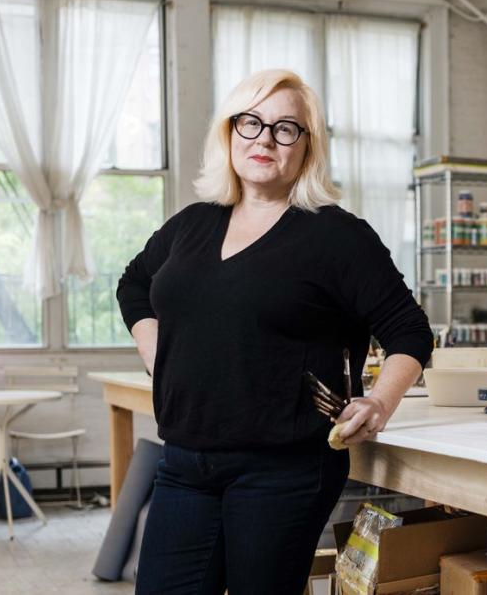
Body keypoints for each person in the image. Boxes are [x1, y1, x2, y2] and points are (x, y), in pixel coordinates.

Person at [116, 68, 432, 594]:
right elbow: (133, 286)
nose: (264, 138)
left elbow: (410, 330)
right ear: (229, 132)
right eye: (251, 123)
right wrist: (158, 357)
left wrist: (379, 403)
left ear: (308, 147)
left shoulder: (337, 236)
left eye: (286, 128)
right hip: (183, 462)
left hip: (283, 471)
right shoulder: (192, 223)